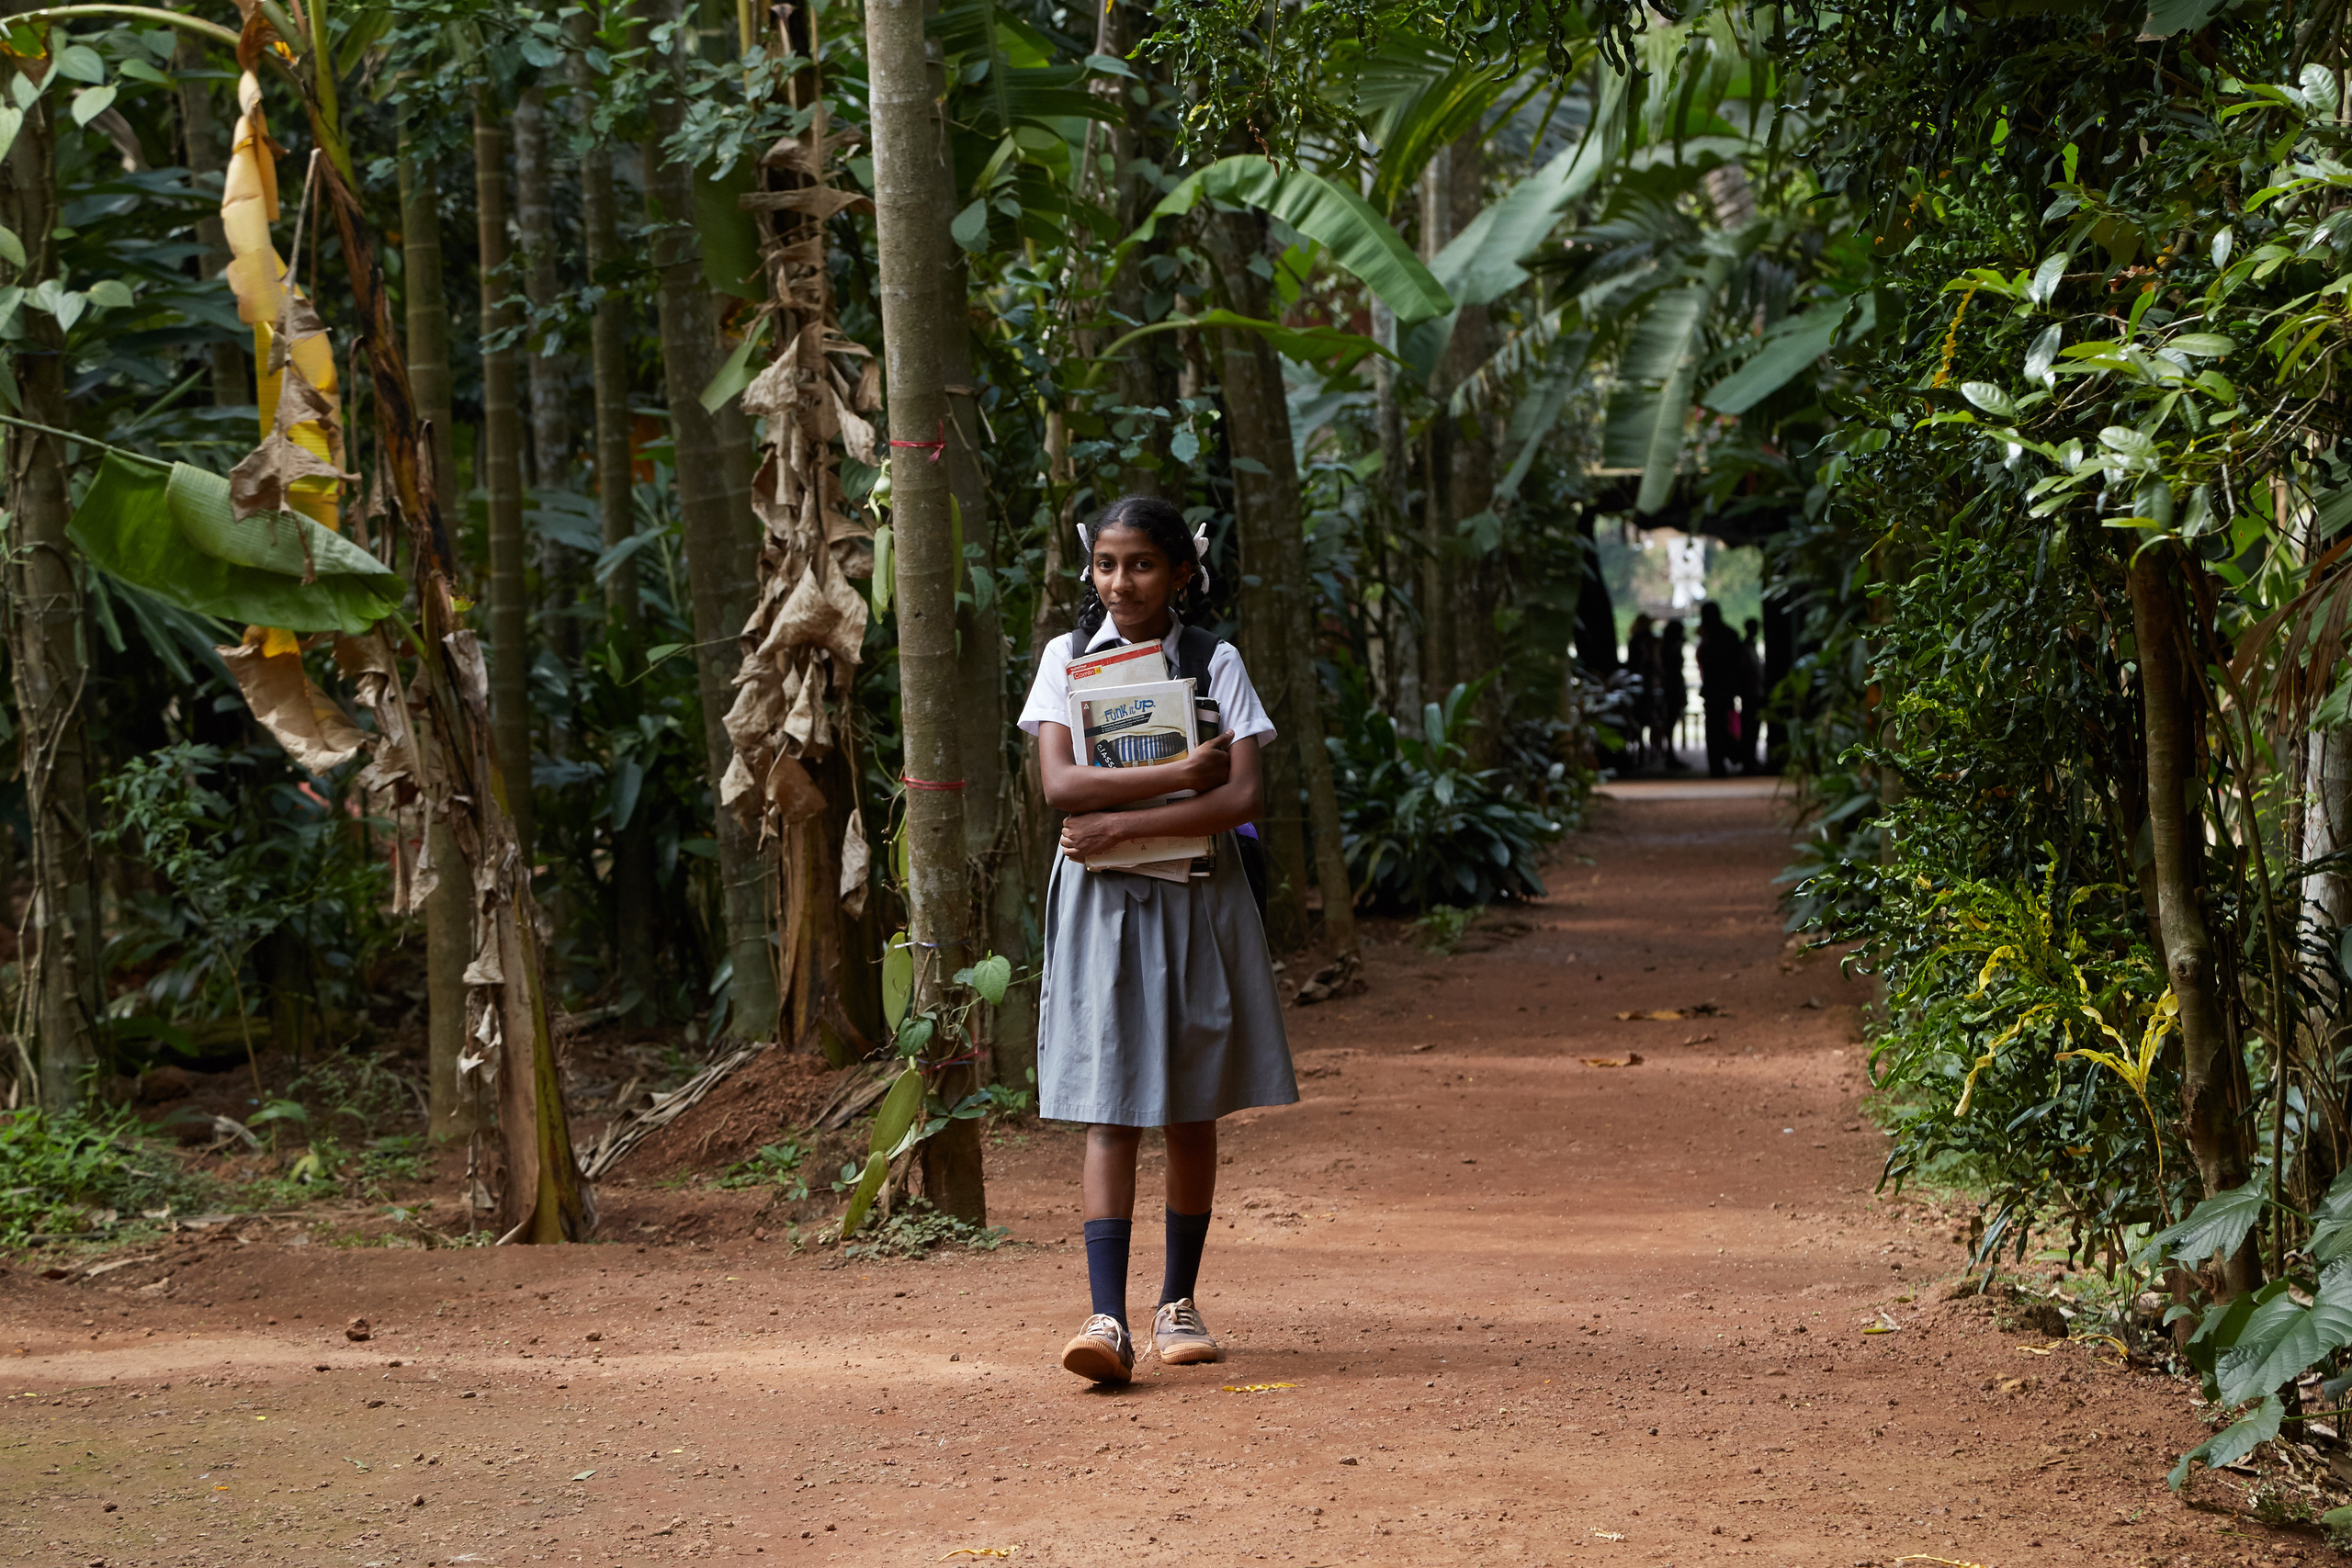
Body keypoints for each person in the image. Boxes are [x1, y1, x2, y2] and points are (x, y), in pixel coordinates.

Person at [1016, 493, 1298, 1385]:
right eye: (1104, 564)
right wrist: (1178, 774)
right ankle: (1105, 1317)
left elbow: (1243, 797)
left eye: (1140, 564)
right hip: (1101, 902)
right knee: (1107, 1099)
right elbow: (1060, 785)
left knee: (1187, 1099)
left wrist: (1118, 825)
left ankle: (1177, 1303)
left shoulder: (1215, 660)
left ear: (1182, 572)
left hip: (1194, 897)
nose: (1119, 581)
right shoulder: (1066, 660)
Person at [1694, 601, 1743, 779]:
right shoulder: (1729, 634)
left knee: (1714, 728)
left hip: (1714, 690)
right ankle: (1729, 757)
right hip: (1726, 689)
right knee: (1725, 726)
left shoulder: (1708, 639)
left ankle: (1717, 764)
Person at [1623, 614, 1659, 765]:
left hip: (1639, 685)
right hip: (1647, 685)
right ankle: (1649, 751)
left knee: (1639, 719)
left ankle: (1643, 751)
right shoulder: (1649, 641)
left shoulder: (1635, 640)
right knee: (1650, 718)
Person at [1657, 618, 1689, 769]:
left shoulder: (1666, 647)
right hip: (1673, 686)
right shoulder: (1671, 648)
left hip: (1671, 686)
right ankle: (1669, 755)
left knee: (1670, 721)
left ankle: (1669, 754)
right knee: (1670, 721)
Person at [1736, 616, 1766, 773]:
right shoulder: (1745, 647)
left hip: (1754, 691)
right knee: (1749, 728)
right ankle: (1748, 760)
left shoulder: (1751, 646)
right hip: (1750, 693)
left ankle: (1750, 759)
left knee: (1753, 727)